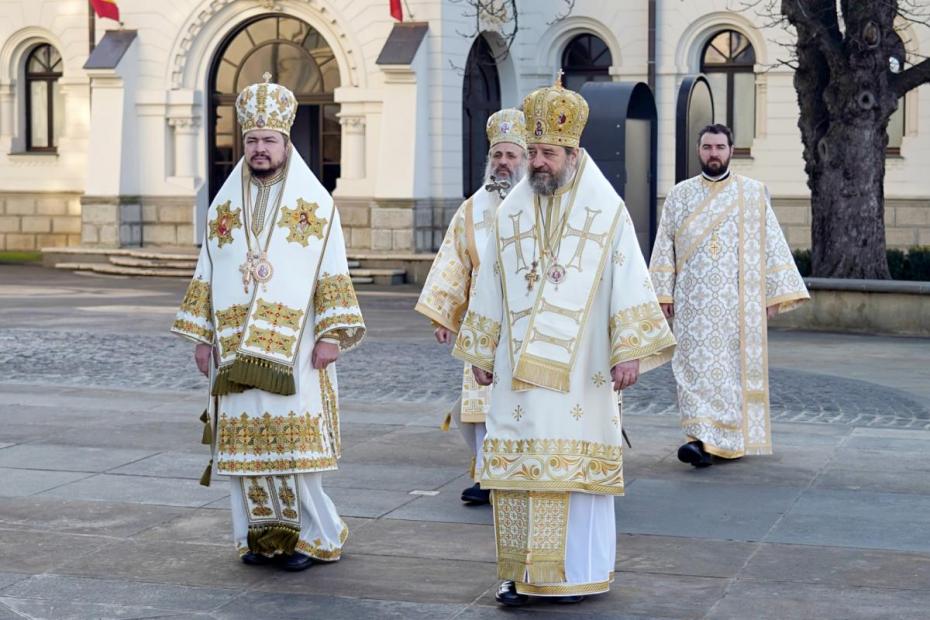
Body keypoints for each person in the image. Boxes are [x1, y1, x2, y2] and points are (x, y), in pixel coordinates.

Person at [453, 76, 676, 605]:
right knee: (517, 471)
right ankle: (519, 573)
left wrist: (630, 353)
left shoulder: (606, 210)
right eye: (532, 153)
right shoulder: (511, 212)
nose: (538, 163)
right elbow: (490, 284)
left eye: (547, 153)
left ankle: (574, 573)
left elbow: (628, 280)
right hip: (515, 374)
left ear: (573, 153)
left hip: (584, 371)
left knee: (573, 472)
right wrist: (481, 353)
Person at [171, 73, 365, 571]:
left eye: (269, 141)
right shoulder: (225, 203)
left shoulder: (316, 203)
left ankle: (316, 538)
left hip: (296, 349)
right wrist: (200, 337)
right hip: (233, 353)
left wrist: (331, 335)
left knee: (295, 455)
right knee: (245, 458)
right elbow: (208, 269)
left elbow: (332, 269)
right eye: (252, 140)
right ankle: (261, 539)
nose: (260, 148)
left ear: (285, 143)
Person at [649, 123, 808, 468]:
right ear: (699, 151)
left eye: (720, 147)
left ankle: (724, 438)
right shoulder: (679, 195)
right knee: (690, 369)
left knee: (726, 372)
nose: (713, 154)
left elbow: (772, 245)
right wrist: (662, 293)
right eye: (707, 147)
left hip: (736, 303)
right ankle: (698, 438)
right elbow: (664, 245)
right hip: (690, 302)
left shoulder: (751, 194)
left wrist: (771, 295)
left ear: (731, 150)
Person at [415, 108, 527, 505]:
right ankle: (486, 474)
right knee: (478, 404)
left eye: (511, 155)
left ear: (526, 160)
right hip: (482, 314)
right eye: (497, 155)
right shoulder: (473, 207)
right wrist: (445, 313)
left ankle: (519, 471)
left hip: (525, 315)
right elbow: (454, 259)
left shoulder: (539, 202)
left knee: (518, 398)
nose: (503, 163)